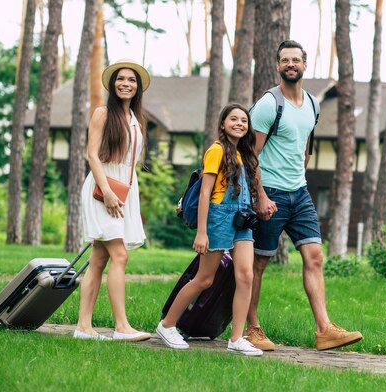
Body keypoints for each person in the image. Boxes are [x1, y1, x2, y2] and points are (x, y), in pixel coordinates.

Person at [246, 40, 363, 351]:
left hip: (299, 193)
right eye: (285, 60)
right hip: (269, 193)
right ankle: (251, 328)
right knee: (258, 263)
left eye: (296, 60)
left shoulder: (313, 103)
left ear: (305, 65)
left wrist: (301, 176)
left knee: (315, 257)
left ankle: (324, 329)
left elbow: (306, 145)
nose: (291, 65)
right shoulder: (268, 105)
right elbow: (250, 155)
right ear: (277, 65)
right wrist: (259, 196)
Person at [156, 103, 263, 357]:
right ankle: (167, 325)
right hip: (218, 218)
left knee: (246, 276)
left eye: (244, 120)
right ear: (223, 124)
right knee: (204, 278)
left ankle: (236, 338)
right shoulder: (216, 150)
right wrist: (201, 232)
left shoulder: (242, 154)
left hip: (241, 220)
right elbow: (205, 192)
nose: (239, 123)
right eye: (233, 119)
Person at [74, 59, 152, 342]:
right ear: (112, 84)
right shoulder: (103, 113)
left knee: (98, 259)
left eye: (132, 80)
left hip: (124, 190)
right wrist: (106, 191)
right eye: (121, 79)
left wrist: (124, 193)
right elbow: (92, 154)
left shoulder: (135, 118)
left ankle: (83, 327)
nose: (126, 84)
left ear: (138, 87)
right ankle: (121, 326)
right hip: (102, 188)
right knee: (120, 255)